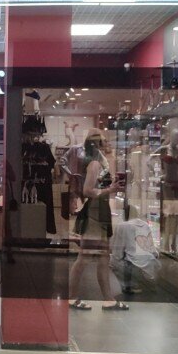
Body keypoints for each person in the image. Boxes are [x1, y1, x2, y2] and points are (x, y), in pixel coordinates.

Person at [69, 131, 129, 311]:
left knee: (102, 257)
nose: (106, 143)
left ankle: (108, 299)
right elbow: (88, 190)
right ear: (97, 144)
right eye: (103, 141)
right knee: (84, 257)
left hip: (99, 212)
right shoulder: (95, 163)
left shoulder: (97, 161)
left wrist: (110, 188)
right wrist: (109, 190)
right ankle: (72, 297)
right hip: (95, 214)